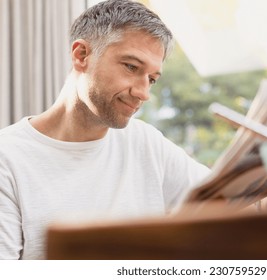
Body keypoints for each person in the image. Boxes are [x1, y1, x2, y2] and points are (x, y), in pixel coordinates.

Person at [0, 0, 210, 260]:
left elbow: (227, 201)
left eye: (152, 79)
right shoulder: (7, 159)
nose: (143, 93)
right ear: (81, 56)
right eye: (131, 67)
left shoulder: (145, 142)